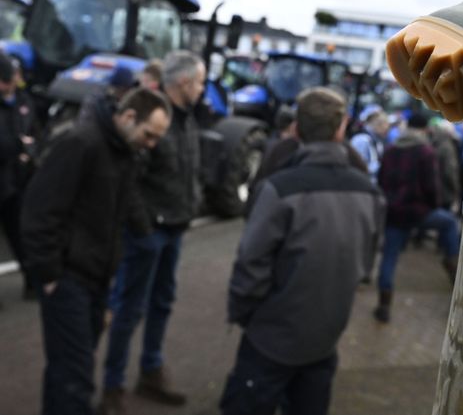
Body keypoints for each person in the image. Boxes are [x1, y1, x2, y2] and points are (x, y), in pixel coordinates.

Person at [221, 87, 384, 415]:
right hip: (325, 339)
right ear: (342, 128)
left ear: (296, 128)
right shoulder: (370, 194)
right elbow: (365, 264)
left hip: (268, 340)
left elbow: (250, 264)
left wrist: (243, 313)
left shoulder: (279, 189)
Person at [20, 87, 172, 415]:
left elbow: (120, 207)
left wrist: (143, 236)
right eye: (149, 135)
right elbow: (38, 212)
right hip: (67, 279)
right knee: (76, 378)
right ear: (129, 117)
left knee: (68, 371)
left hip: (96, 280)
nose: (152, 144)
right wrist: (48, 275)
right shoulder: (80, 144)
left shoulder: (124, 153)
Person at [100, 50, 205, 412]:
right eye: (201, 82)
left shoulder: (189, 119)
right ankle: (112, 387)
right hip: (149, 234)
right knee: (130, 308)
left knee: (162, 302)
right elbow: (130, 181)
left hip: (173, 228)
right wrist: (143, 230)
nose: (203, 89)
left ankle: (151, 371)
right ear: (184, 83)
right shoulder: (156, 121)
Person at [375, 113, 460, 323]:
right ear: (423, 130)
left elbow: (381, 180)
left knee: (389, 258)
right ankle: (451, 263)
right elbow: (432, 185)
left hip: (394, 213)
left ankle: (384, 305)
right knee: (449, 223)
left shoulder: (391, 150)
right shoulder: (425, 151)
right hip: (419, 211)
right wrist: (433, 205)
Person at [0, 53, 39, 302]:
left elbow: (36, 134)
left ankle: (32, 281)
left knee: (22, 234)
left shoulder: (25, 101)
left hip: (18, 182)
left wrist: (30, 150)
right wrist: (19, 146)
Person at [350, 107, 389, 183]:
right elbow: (358, 166)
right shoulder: (361, 139)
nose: (387, 128)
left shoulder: (377, 141)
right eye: (385, 124)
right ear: (376, 124)